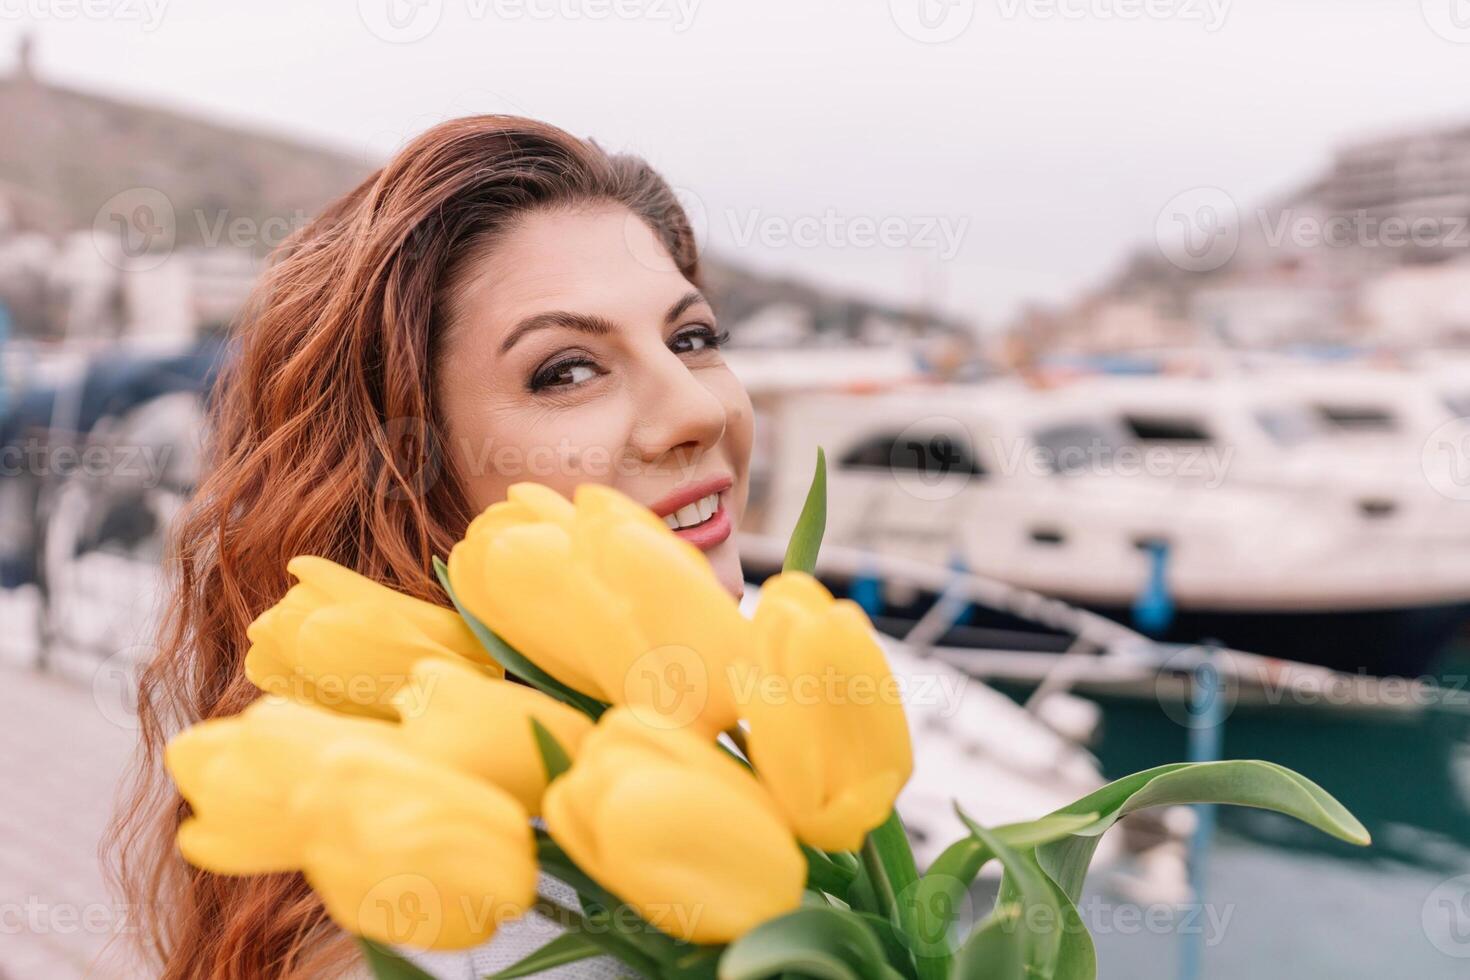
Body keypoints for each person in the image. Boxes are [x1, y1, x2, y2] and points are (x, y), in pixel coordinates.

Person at [109, 115, 755, 979]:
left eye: (692, 339)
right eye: (567, 369)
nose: (699, 410)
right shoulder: (445, 925)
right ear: (406, 473)